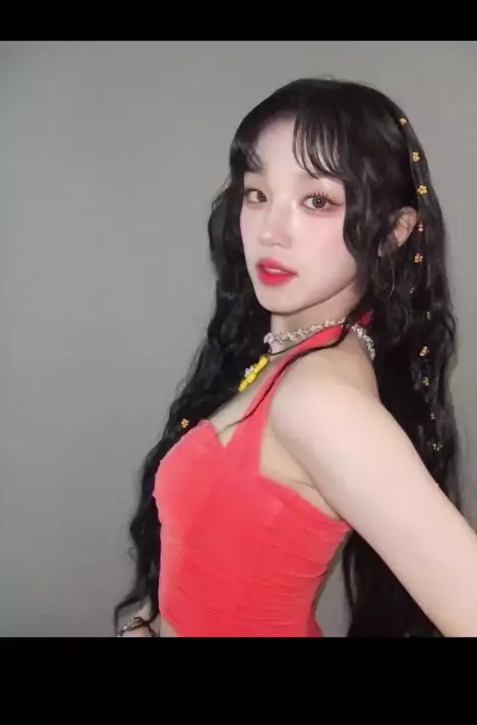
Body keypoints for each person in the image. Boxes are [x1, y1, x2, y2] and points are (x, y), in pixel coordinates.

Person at [114, 77, 477, 638]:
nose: (271, 232)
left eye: (318, 201)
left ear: (393, 232)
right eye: (257, 194)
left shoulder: (320, 399)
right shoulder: (293, 356)